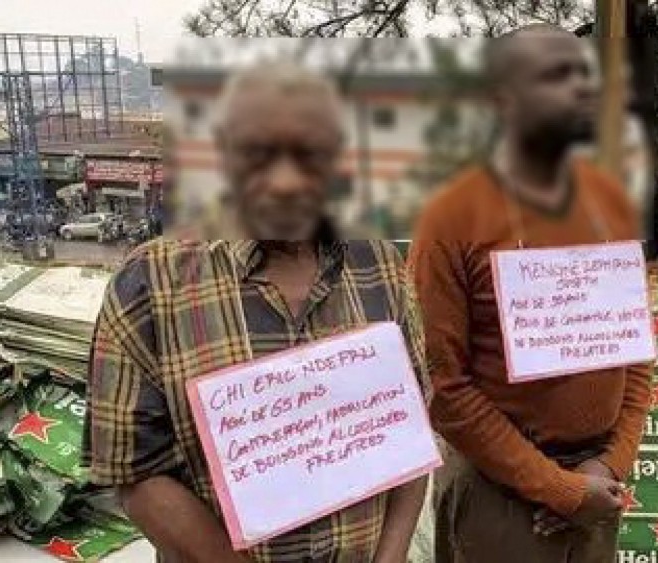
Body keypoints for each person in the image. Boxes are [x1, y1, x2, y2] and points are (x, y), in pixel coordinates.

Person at [83, 64, 429, 563]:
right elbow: (133, 473)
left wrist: (391, 556)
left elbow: (409, 435)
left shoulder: (379, 266)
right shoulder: (151, 284)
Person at [408, 24, 652, 563]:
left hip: (597, 485)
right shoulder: (451, 217)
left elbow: (637, 358)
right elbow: (447, 388)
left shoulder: (608, 203)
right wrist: (554, 488)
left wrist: (606, 468)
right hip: (500, 492)